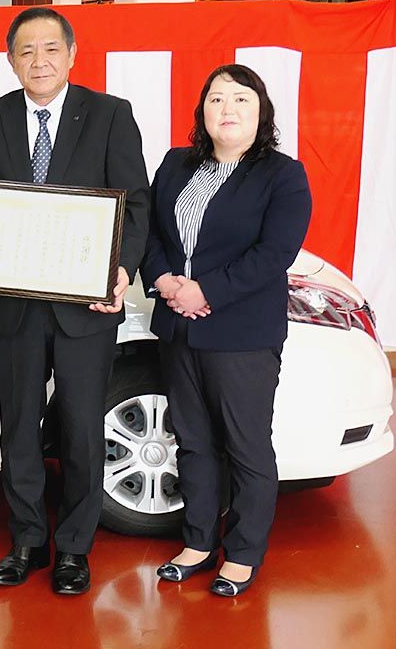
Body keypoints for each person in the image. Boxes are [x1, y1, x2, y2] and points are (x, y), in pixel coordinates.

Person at [0, 8, 150, 595]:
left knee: (82, 427)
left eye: (51, 49)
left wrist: (121, 269)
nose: (39, 61)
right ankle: (28, 541)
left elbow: (135, 202)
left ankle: (75, 549)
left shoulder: (110, 114)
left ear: (72, 54)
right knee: (18, 425)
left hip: (86, 304)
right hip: (14, 304)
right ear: (11, 60)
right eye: (27, 51)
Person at [146, 64, 311, 597]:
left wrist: (206, 291)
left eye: (241, 99)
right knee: (192, 441)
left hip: (241, 334)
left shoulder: (282, 175)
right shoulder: (176, 163)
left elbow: (274, 254)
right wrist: (164, 280)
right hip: (178, 327)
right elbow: (149, 231)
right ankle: (198, 542)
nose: (228, 109)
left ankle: (242, 554)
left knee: (246, 446)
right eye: (217, 99)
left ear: (261, 112)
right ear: (203, 111)